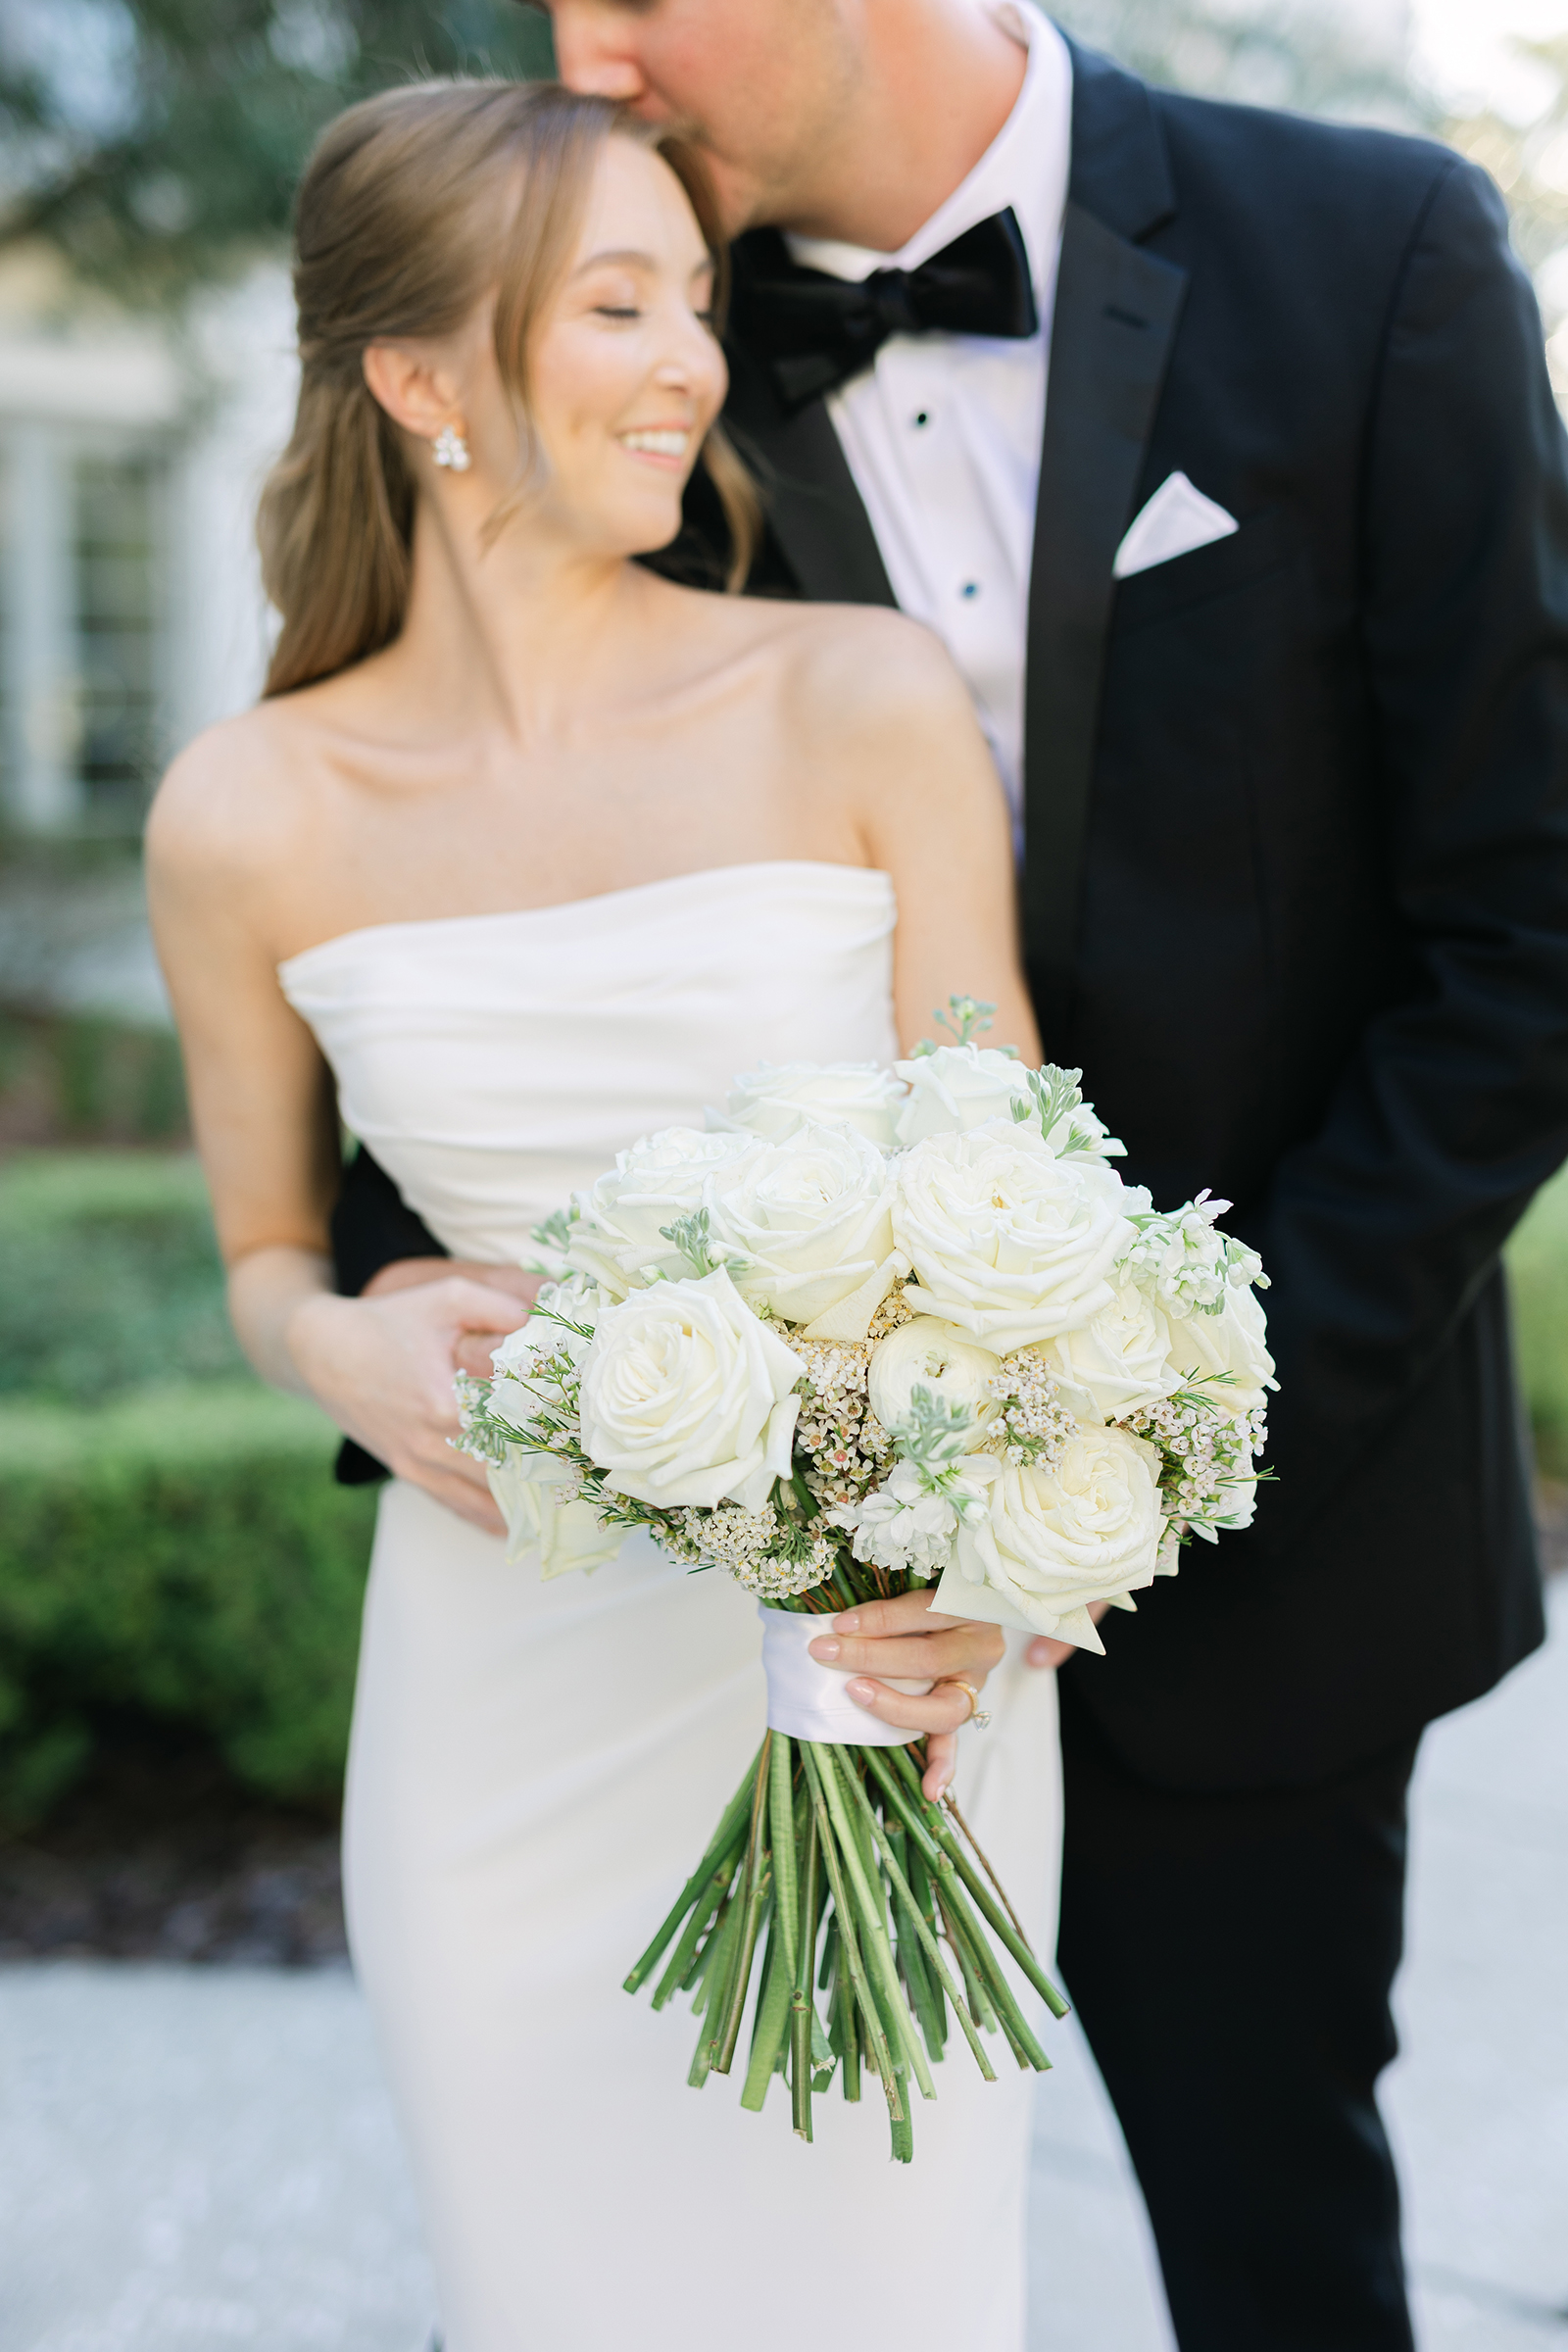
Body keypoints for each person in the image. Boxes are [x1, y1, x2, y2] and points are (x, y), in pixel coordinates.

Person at [330, 5, 1568, 2347]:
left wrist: (1125, 1457)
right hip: (741, 1591)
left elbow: (1522, 934)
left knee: (1275, 2244)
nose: (581, 53)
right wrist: (370, 1299)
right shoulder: (624, 333)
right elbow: (458, 838)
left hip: (1266, 1544)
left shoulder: (1369, 253)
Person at [147, 80, 1063, 2352]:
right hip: (497, 1696)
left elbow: (1029, 1201)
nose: (691, 358)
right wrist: (333, 1340)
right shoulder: (246, 811)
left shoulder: (853, 694)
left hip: (870, 1669)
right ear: (418, 379)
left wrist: (1005, 1565)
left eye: (696, 300)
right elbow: (268, 1251)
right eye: (617, 303)